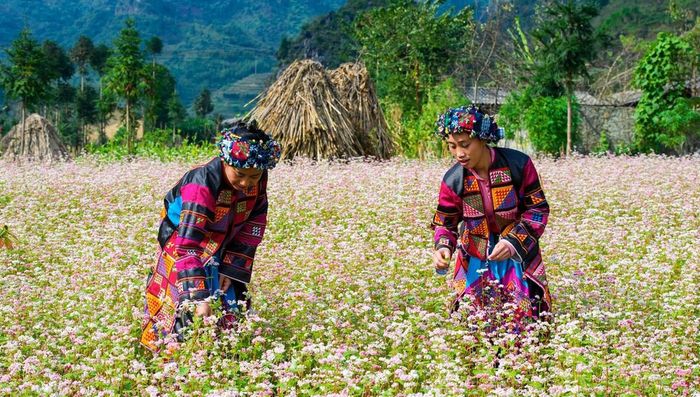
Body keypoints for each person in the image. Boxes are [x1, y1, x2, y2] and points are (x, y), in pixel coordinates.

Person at [140, 119, 281, 353]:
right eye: (240, 174)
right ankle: (172, 359)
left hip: (223, 239)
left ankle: (224, 353)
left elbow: (253, 224)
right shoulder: (201, 183)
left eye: (254, 176)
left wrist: (231, 267)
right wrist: (199, 298)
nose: (246, 183)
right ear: (226, 162)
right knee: (181, 304)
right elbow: (187, 246)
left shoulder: (257, 178)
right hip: (182, 239)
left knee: (229, 294)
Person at [430, 105, 551, 320]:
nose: (459, 153)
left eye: (465, 145)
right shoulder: (454, 180)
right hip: (476, 255)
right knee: (477, 321)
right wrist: (442, 247)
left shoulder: (518, 165)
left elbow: (537, 209)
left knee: (525, 319)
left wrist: (513, 242)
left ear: (483, 139)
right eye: (452, 146)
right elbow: (445, 223)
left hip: (517, 255)